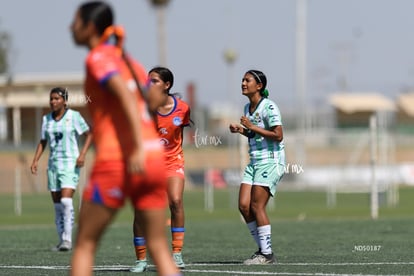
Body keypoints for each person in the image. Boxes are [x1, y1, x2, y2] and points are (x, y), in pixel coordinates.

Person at [69, 2, 181, 276]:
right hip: (155, 159)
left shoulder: (98, 58)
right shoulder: (130, 61)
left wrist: (134, 148)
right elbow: (147, 100)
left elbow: (126, 99)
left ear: (90, 27)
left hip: (120, 158)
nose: (71, 27)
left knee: (84, 244)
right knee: (158, 246)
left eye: (75, 21)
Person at [130, 67, 191, 273]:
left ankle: (177, 253)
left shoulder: (182, 108)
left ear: (167, 85)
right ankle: (140, 259)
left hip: (173, 162)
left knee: (175, 201)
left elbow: (178, 137)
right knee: (141, 211)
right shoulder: (143, 108)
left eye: (154, 81)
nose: (149, 85)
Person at [229, 69, 285, 265]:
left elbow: (278, 135)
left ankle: (267, 255)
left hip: (270, 161)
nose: (243, 83)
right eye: (242, 80)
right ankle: (263, 250)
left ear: (259, 86)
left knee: (256, 205)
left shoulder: (269, 107)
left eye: (247, 80)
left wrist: (251, 127)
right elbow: (255, 135)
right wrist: (243, 131)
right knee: (244, 206)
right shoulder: (247, 107)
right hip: (254, 162)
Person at [30, 87, 93, 252]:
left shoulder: (74, 117)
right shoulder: (46, 120)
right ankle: (62, 241)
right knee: (57, 205)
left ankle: (68, 239)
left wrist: (83, 154)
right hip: (53, 165)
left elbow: (89, 134)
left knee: (66, 201)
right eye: (51, 99)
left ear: (65, 101)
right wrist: (35, 160)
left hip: (71, 164)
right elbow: (43, 141)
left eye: (57, 98)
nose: (53, 102)